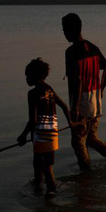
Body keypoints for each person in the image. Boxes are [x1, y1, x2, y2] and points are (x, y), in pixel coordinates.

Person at [62, 13, 106, 170]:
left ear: (71, 30)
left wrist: (74, 108)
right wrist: (101, 90)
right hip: (95, 102)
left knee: (78, 141)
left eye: (64, 29)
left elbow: (77, 81)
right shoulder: (93, 48)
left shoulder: (71, 53)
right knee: (92, 139)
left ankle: (85, 174)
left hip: (80, 103)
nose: (63, 33)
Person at [17, 58, 73, 197]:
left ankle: (51, 190)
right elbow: (65, 106)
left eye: (27, 75)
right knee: (42, 162)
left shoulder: (32, 94)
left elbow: (33, 120)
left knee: (44, 166)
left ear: (33, 76)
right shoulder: (50, 89)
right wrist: (71, 124)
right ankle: (38, 184)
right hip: (52, 132)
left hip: (40, 133)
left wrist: (23, 135)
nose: (26, 79)